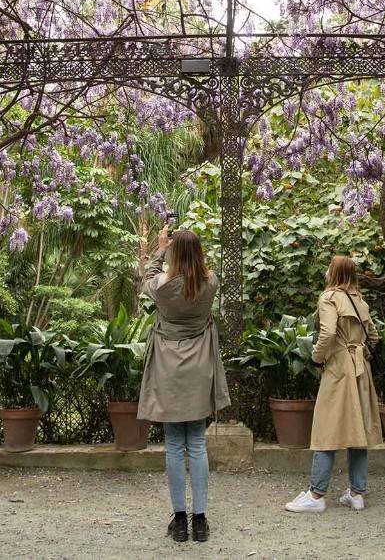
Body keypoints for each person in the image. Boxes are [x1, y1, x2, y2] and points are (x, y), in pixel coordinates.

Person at [138, 225, 231, 543]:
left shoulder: (163, 286)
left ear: (175, 253)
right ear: (199, 253)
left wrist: (162, 248)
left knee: (175, 445)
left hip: (168, 366)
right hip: (199, 365)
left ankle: (180, 521)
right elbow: (202, 271)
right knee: (198, 444)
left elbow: (147, 276)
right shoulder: (210, 282)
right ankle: (200, 520)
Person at [285, 255, 383, 513]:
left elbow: (328, 333)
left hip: (339, 368)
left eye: (329, 267)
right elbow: (374, 335)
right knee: (358, 431)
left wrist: (317, 359)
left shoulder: (329, 298)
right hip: (361, 369)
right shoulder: (360, 301)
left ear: (334, 272)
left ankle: (316, 495)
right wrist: (361, 353)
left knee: (326, 429)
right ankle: (357, 493)